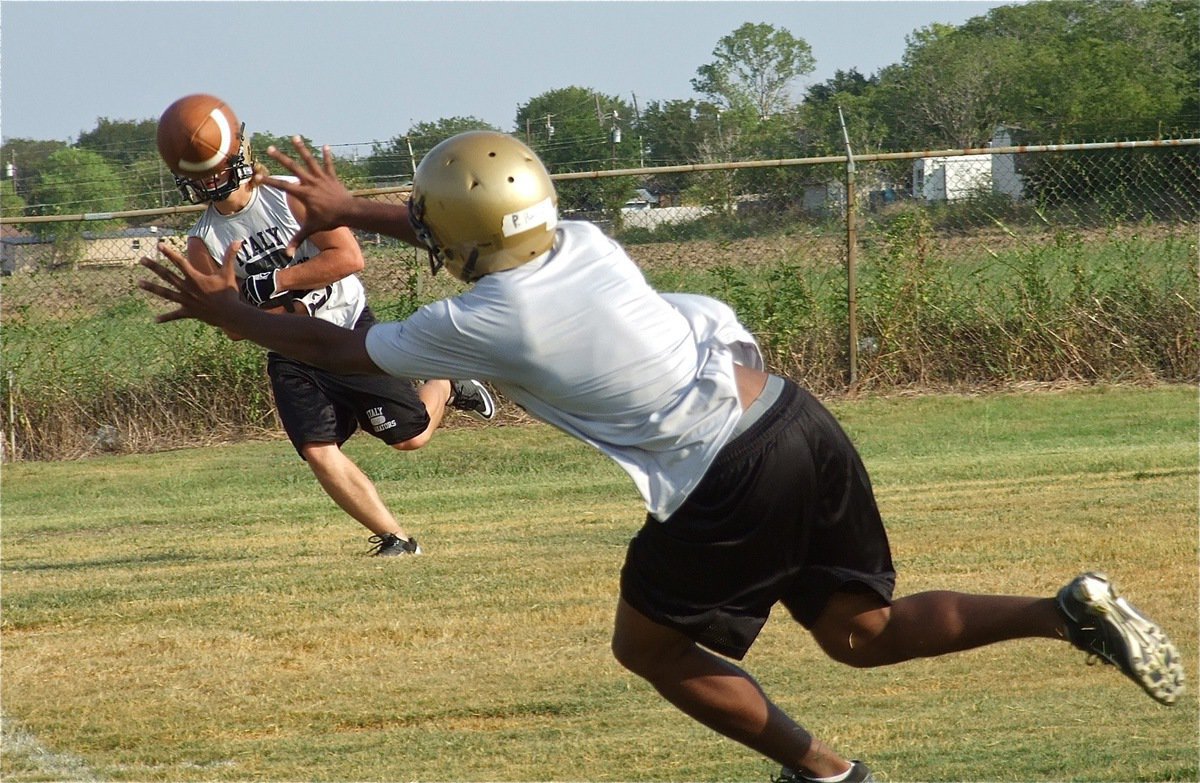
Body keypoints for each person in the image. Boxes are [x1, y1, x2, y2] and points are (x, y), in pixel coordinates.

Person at [140, 130, 1184, 781]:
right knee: (859, 633)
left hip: (725, 473)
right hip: (793, 416)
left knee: (649, 652)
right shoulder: (585, 238)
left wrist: (235, 313)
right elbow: (460, 217)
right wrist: (349, 209)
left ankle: (825, 774)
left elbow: (334, 342)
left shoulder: (487, 322)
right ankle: (1066, 612)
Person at [153, 95, 497, 557]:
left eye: (210, 168)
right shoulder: (204, 242)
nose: (210, 180)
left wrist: (273, 281)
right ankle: (396, 538)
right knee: (317, 450)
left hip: (347, 330)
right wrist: (250, 312)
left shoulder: (288, 195)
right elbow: (233, 325)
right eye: (200, 174)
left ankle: (447, 383)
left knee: (410, 437)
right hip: (292, 352)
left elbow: (348, 257)